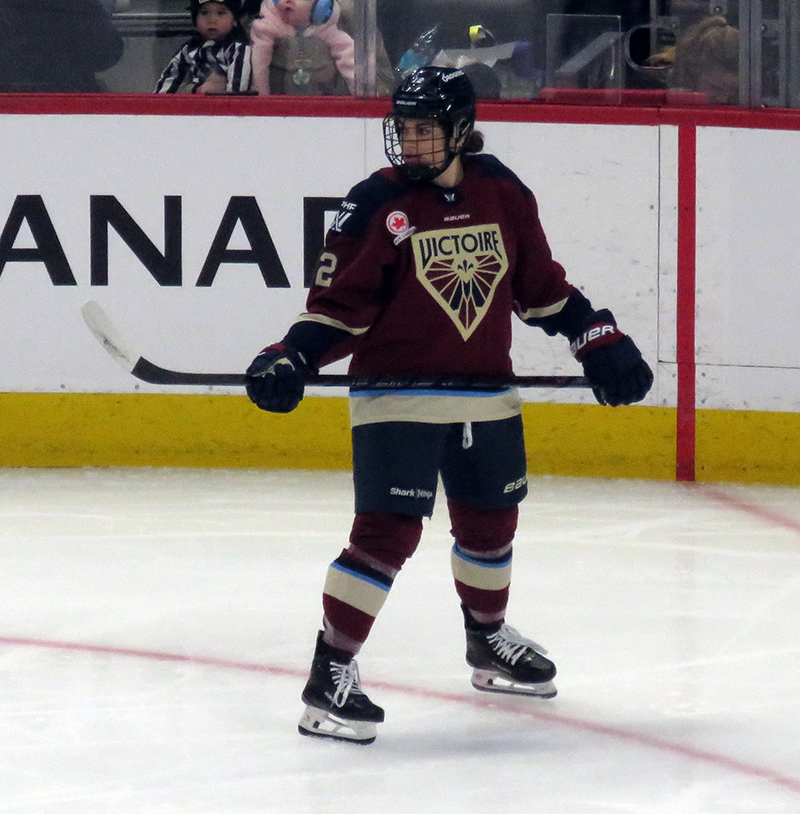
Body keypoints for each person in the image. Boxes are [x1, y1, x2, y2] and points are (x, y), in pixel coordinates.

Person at [245, 66, 653, 744]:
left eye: (423, 130)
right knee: (387, 536)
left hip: (486, 395)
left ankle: (487, 641)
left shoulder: (503, 192)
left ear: (460, 129)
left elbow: (540, 290)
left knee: (492, 525)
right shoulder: (374, 204)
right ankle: (330, 674)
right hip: (398, 397)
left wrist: (595, 336)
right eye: (402, 129)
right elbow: (340, 311)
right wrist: (290, 354)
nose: (409, 142)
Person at [0, 0, 124, 92]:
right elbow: (107, 53)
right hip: (73, 98)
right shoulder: (77, 6)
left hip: (71, 98)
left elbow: (107, 51)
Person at [249, 0, 354, 95]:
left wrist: (359, 96)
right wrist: (262, 98)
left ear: (322, 4)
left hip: (323, 99)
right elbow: (258, 65)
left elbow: (353, 65)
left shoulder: (330, 31)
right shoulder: (266, 28)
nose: (287, 1)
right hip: (278, 101)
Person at [155, 0, 252, 94]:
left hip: (225, 108)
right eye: (204, 13)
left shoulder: (239, 49)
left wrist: (220, 92)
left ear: (235, 20)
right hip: (193, 107)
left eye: (221, 13)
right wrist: (196, 90)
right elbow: (165, 89)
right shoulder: (188, 50)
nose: (212, 20)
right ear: (195, 19)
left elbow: (239, 95)